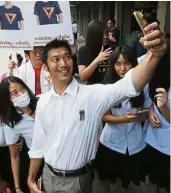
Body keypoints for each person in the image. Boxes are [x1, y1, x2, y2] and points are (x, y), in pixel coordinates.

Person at [27, 22, 166, 193]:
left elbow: (129, 85)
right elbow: (39, 143)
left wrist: (155, 55)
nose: (63, 63)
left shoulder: (92, 96)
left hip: (79, 181)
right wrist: (31, 177)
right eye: (55, 59)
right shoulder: (43, 102)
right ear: (46, 67)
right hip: (49, 176)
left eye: (67, 57)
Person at [95, 45, 149, 193]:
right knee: (109, 181)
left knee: (125, 181)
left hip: (134, 142)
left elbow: (147, 112)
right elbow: (104, 117)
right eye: (118, 64)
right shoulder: (108, 86)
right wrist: (124, 119)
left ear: (133, 64)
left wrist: (143, 116)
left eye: (127, 63)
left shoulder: (142, 86)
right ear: (112, 66)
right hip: (111, 143)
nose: (123, 68)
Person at [0, 76, 39, 192]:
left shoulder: (42, 104)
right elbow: (14, 156)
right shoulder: (12, 122)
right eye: (15, 93)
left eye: (22, 88)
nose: (22, 93)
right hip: (38, 162)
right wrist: (17, 187)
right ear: (8, 100)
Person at [144, 49, 170, 193]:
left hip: (168, 147)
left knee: (165, 184)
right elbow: (149, 101)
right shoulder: (157, 77)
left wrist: (164, 108)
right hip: (154, 139)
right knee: (153, 181)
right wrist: (150, 111)